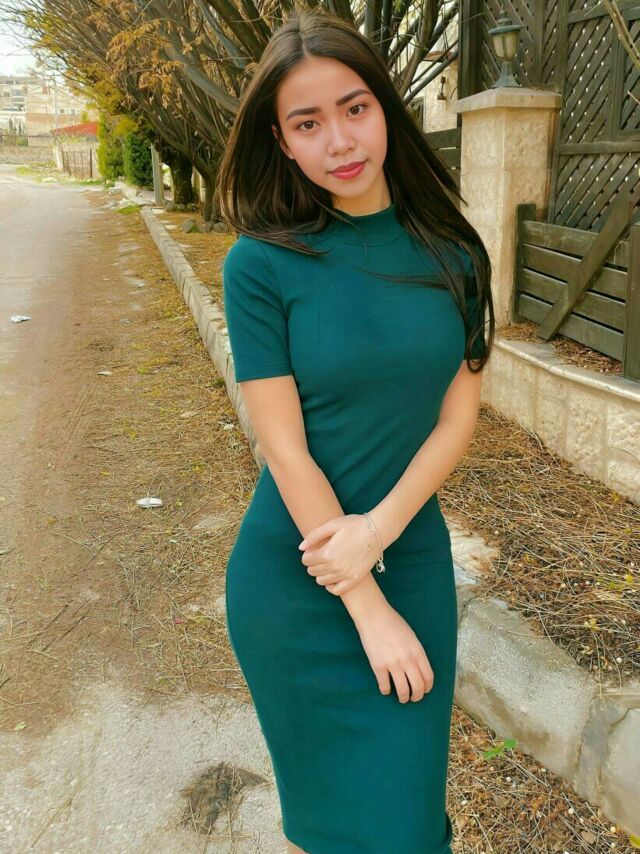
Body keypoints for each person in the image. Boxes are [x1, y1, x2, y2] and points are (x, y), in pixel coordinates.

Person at [215, 8, 494, 853]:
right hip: (296, 574)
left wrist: (375, 535)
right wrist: (364, 603)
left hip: (407, 556)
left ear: (385, 109)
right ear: (282, 141)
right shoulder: (260, 264)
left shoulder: (454, 254)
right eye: (308, 123)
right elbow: (283, 447)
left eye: (355, 108)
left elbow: (457, 417)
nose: (339, 140)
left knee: (407, 827)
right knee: (332, 829)